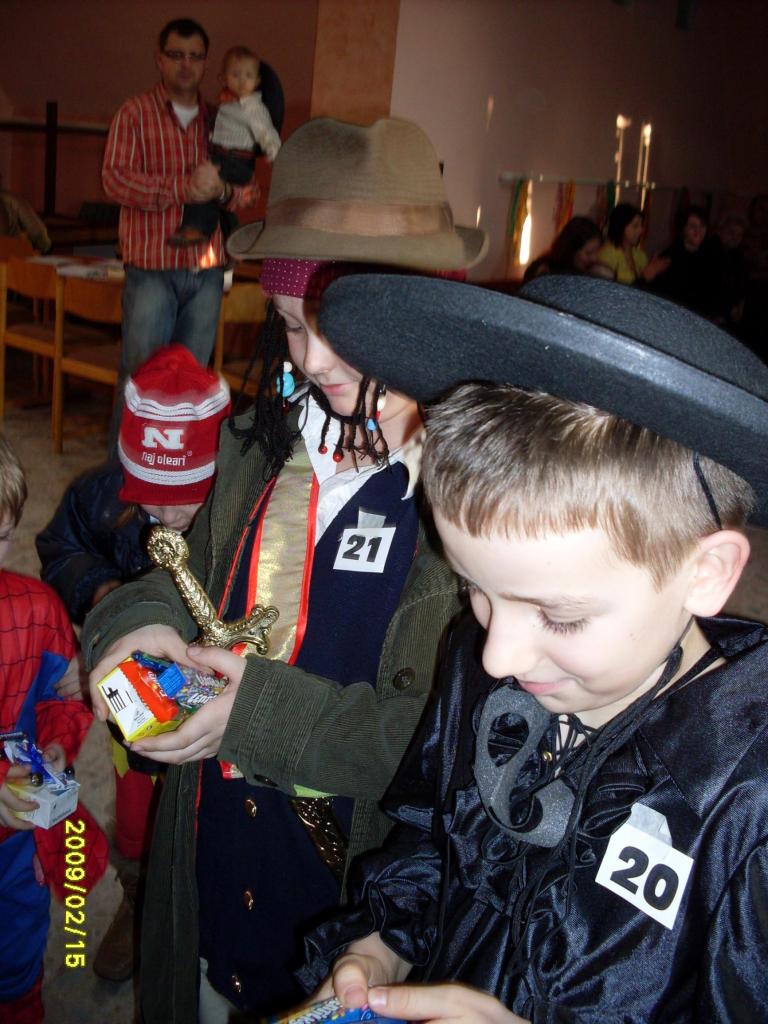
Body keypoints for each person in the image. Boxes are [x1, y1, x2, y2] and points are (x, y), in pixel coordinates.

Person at [82, 116, 487, 1023]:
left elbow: (454, 748)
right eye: (290, 327)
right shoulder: (257, 444)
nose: (311, 361)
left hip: (344, 920)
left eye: (342, 331)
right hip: (211, 881)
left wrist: (254, 715)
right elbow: (170, 571)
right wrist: (130, 631)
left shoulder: (478, 507)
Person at [291, 272, 768, 1022]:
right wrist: (381, 947)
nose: (497, 657)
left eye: (561, 616)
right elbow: (432, 838)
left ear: (705, 574)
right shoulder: (481, 661)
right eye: (475, 588)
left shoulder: (746, 810)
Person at [35, 345, 230, 982]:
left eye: (184, 498)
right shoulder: (101, 495)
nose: (168, 516)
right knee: (138, 817)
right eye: (152, 498)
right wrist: (101, 594)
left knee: (209, 824)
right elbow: (60, 544)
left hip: (219, 711)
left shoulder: (239, 505)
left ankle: (198, 910)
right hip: (134, 717)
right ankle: (139, 897)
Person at [0, 434, 107, 1023]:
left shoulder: (37, 611)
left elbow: (60, 699)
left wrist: (59, 741)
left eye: (0, 538)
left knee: (20, 954)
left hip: (20, 846)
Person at [102, 17, 250, 441]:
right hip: (151, 269)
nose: (186, 64)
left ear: (206, 63)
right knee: (140, 379)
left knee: (190, 383)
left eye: (196, 57)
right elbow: (115, 180)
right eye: (177, 55)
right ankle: (123, 474)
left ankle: (176, 472)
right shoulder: (133, 114)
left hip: (206, 272)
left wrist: (223, 190)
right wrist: (181, 188)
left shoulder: (222, 120)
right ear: (159, 59)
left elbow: (245, 192)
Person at [171, 45, 282, 247]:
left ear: (257, 81)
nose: (242, 81)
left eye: (248, 76)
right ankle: (228, 234)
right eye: (236, 75)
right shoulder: (229, 104)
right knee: (211, 191)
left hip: (236, 160)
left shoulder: (252, 108)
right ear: (223, 78)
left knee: (205, 184)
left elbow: (266, 131)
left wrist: (273, 151)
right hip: (221, 156)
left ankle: (197, 228)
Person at [651, 205, 719, 317]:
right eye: (693, 226)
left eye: (702, 226)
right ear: (683, 229)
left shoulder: (710, 257)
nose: (698, 232)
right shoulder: (670, 256)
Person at [596, 202, 669, 285]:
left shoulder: (641, 255)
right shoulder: (607, 255)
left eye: (641, 225)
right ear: (621, 227)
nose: (641, 230)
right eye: (635, 226)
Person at [522, 216, 602, 283]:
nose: (594, 258)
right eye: (588, 253)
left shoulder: (592, 273)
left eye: (597, 252)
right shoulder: (544, 270)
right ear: (571, 250)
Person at [0, 188, 52, 253]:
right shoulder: (9, 199)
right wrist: (44, 246)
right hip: (12, 252)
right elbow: (36, 229)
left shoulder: (10, 200)